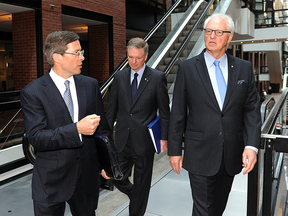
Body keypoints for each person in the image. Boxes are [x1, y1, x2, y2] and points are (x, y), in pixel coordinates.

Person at [168, 13, 261, 216]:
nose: (211, 36)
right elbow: (178, 113)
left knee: (217, 208)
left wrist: (251, 146)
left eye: (218, 32)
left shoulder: (243, 69)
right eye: (208, 31)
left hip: (231, 154)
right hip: (199, 152)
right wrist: (174, 150)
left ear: (229, 37)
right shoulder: (187, 68)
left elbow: (251, 109)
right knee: (204, 210)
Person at [21, 30, 113, 216]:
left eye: (82, 52)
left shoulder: (90, 84)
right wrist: (77, 128)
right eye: (77, 53)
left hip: (86, 176)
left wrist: (108, 163)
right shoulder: (33, 92)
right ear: (57, 57)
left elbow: (102, 129)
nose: (82, 58)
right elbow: (37, 138)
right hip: (51, 180)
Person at [103, 37, 170, 216]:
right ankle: (134, 194)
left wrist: (164, 137)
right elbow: (111, 111)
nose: (133, 61)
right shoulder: (119, 77)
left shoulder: (157, 78)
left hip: (144, 142)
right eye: (130, 57)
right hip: (122, 141)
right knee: (114, 176)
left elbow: (164, 111)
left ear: (146, 56)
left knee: (143, 183)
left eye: (138, 58)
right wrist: (105, 138)